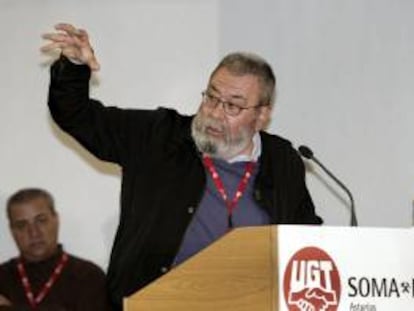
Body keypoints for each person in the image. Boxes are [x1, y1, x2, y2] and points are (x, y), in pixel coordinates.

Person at [42, 23, 323, 310]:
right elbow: (76, 116)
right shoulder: (158, 137)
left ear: (262, 115)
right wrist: (75, 68)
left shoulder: (282, 159)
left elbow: (306, 237)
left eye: (233, 106)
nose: (214, 113)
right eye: (211, 97)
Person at [0, 188, 111, 311]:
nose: (34, 232)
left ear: (56, 220)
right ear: (12, 230)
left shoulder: (88, 276)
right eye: (22, 225)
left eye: (41, 220)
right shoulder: (2, 278)